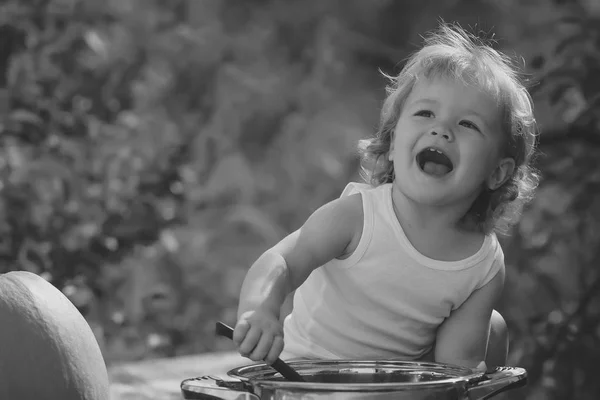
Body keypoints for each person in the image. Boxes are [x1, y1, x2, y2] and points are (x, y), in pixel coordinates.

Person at [232, 22, 539, 370]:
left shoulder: (483, 264)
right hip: (305, 376)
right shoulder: (357, 217)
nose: (441, 129)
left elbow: (455, 365)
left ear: (497, 172)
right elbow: (283, 261)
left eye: (467, 124)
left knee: (493, 330)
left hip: (394, 386)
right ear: (393, 144)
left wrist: (468, 374)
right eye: (425, 113)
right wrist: (260, 309)